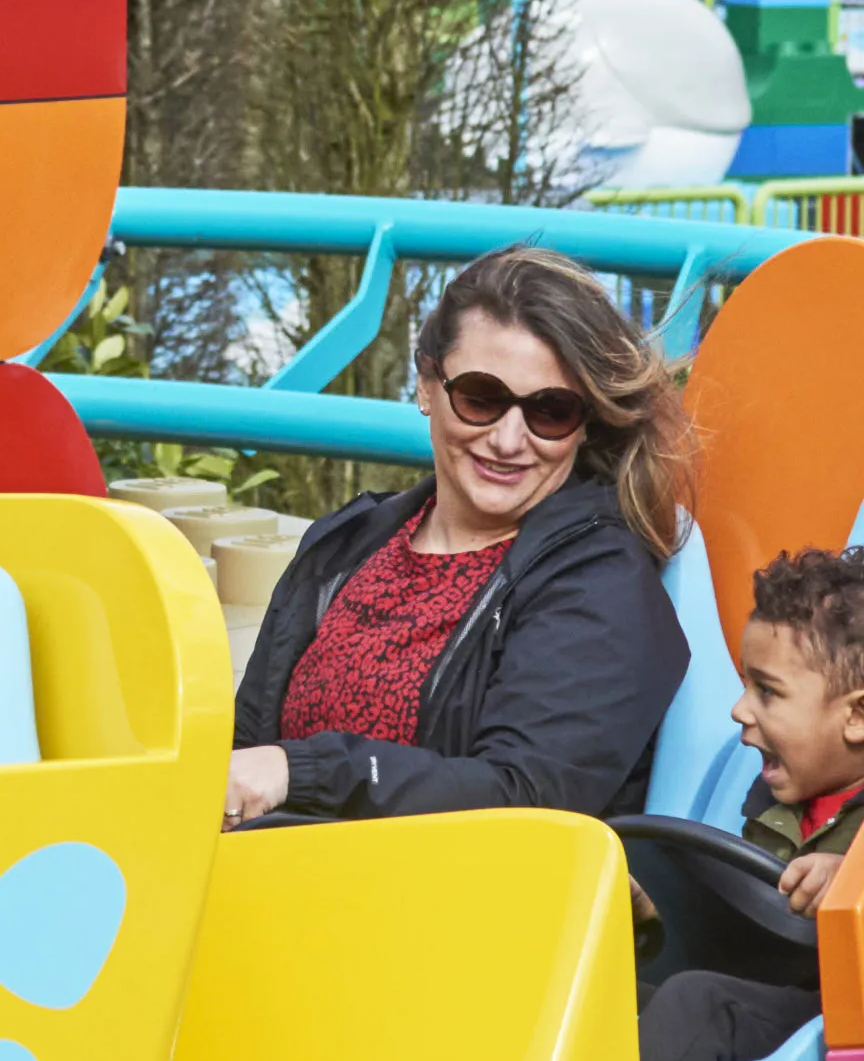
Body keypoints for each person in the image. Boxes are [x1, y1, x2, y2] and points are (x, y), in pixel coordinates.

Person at [225, 249, 693, 824]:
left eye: (550, 411)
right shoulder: (345, 545)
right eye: (482, 398)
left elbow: (523, 797)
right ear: (427, 386)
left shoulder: (600, 584)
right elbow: (245, 743)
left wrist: (306, 770)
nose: (508, 439)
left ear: (584, 423)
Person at [634, 545, 864, 1061]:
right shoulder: (773, 800)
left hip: (831, 1013)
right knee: (599, 987)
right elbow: (736, 924)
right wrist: (648, 918)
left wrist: (855, 881)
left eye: (767, 692)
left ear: (861, 716)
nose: (739, 709)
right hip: (755, 985)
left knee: (699, 1001)